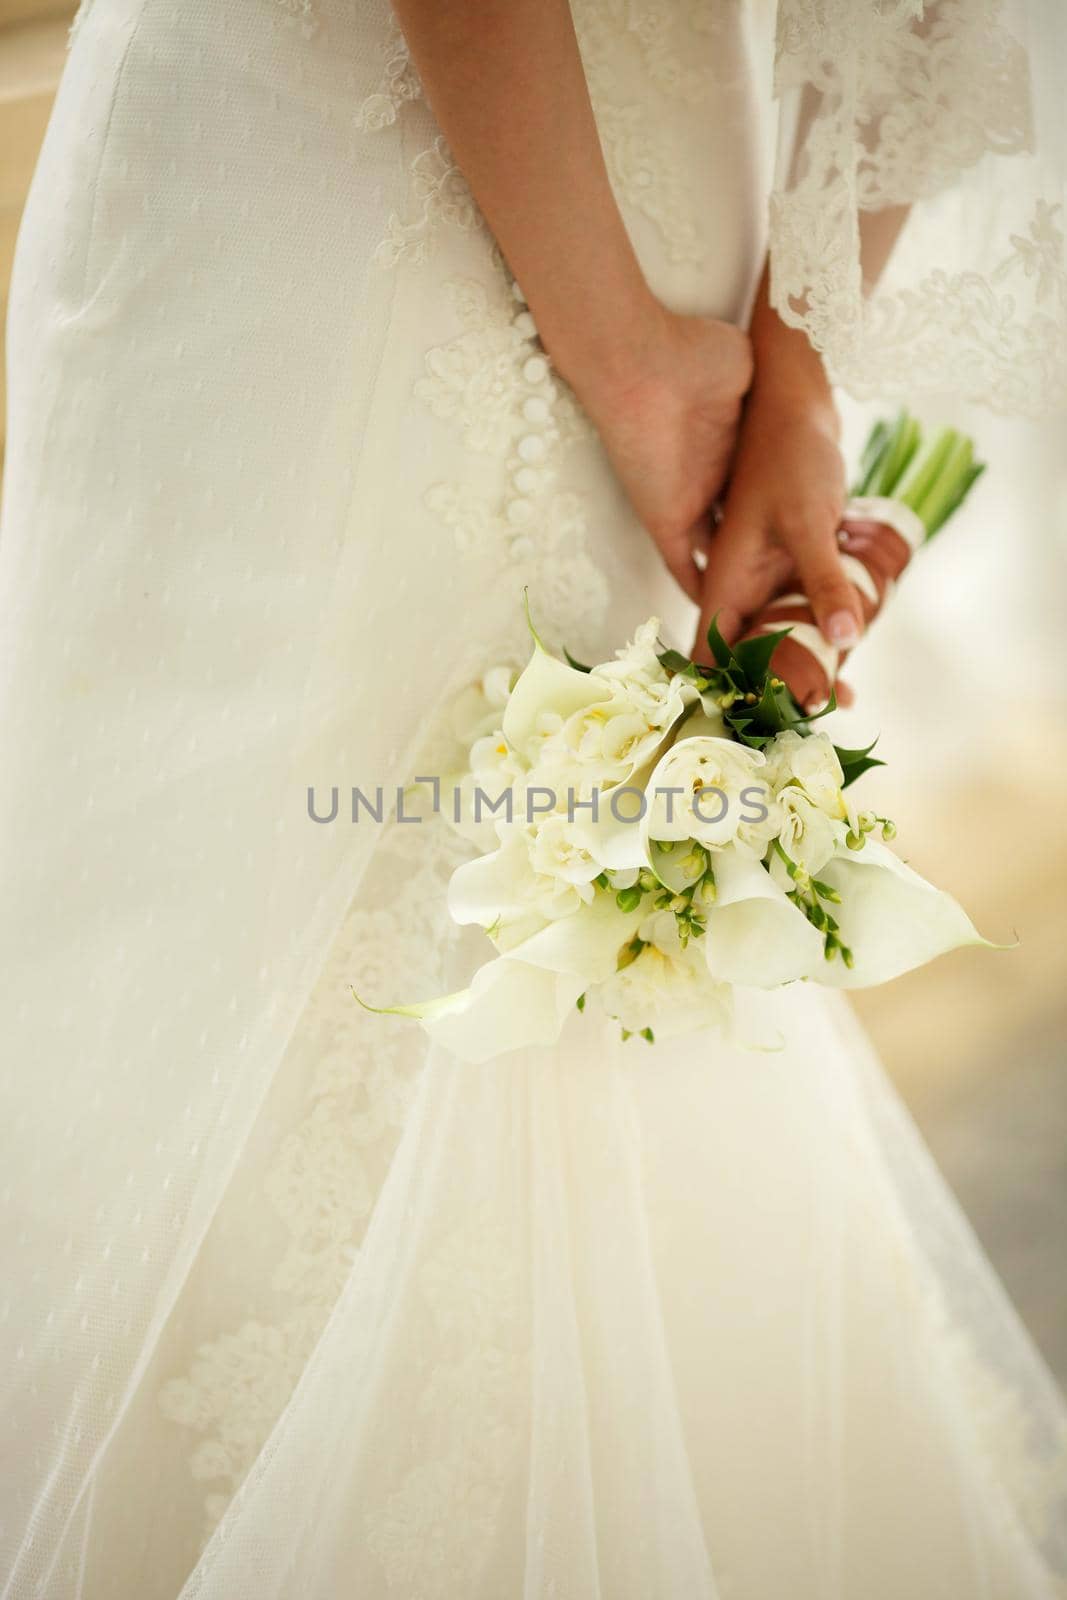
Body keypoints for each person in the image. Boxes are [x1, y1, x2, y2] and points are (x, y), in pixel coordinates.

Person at [0, 2, 1064, 1596]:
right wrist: (671, 360)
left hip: (678, 216)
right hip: (349, 181)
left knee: (585, 951)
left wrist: (788, 373)